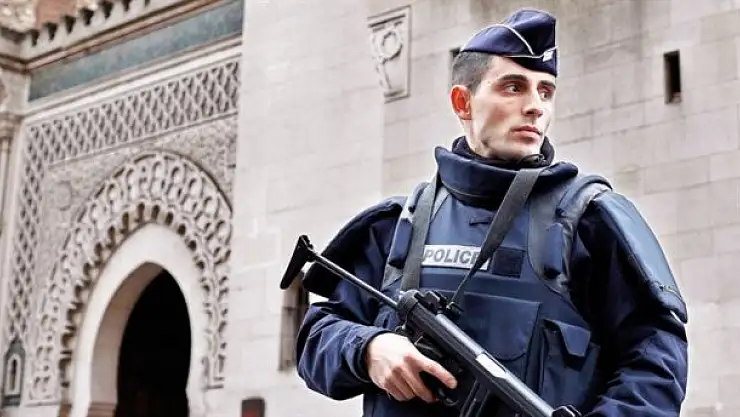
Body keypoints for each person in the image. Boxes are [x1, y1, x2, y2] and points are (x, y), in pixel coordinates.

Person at [293, 8, 688, 417]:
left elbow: (656, 361)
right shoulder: (397, 226)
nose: (535, 107)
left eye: (545, 91)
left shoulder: (590, 223)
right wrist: (369, 349)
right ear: (462, 102)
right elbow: (316, 339)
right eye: (513, 87)